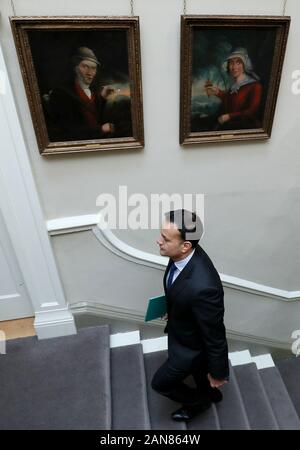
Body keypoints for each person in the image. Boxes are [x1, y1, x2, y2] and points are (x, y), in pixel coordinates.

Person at [151, 209, 229, 421]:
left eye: (165, 239)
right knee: (201, 374)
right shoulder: (181, 254)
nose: (158, 241)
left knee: (160, 383)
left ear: (185, 246)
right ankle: (210, 393)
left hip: (190, 348)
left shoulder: (204, 287)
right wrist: (174, 310)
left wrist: (219, 372)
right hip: (188, 332)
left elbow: (215, 334)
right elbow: (181, 288)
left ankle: (199, 402)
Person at [45, 46, 115, 141]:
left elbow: (95, 115)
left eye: (93, 68)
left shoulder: (92, 91)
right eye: (85, 66)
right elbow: (69, 130)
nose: (90, 73)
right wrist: (101, 129)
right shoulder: (61, 94)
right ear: (75, 68)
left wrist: (102, 98)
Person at [205, 47, 263, 130]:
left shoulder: (255, 86)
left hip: (247, 128)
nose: (234, 67)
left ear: (244, 65)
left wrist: (229, 116)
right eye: (231, 63)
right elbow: (230, 100)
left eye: (238, 63)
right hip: (232, 125)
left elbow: (251, 111)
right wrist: (218, 92)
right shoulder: (234, 86)